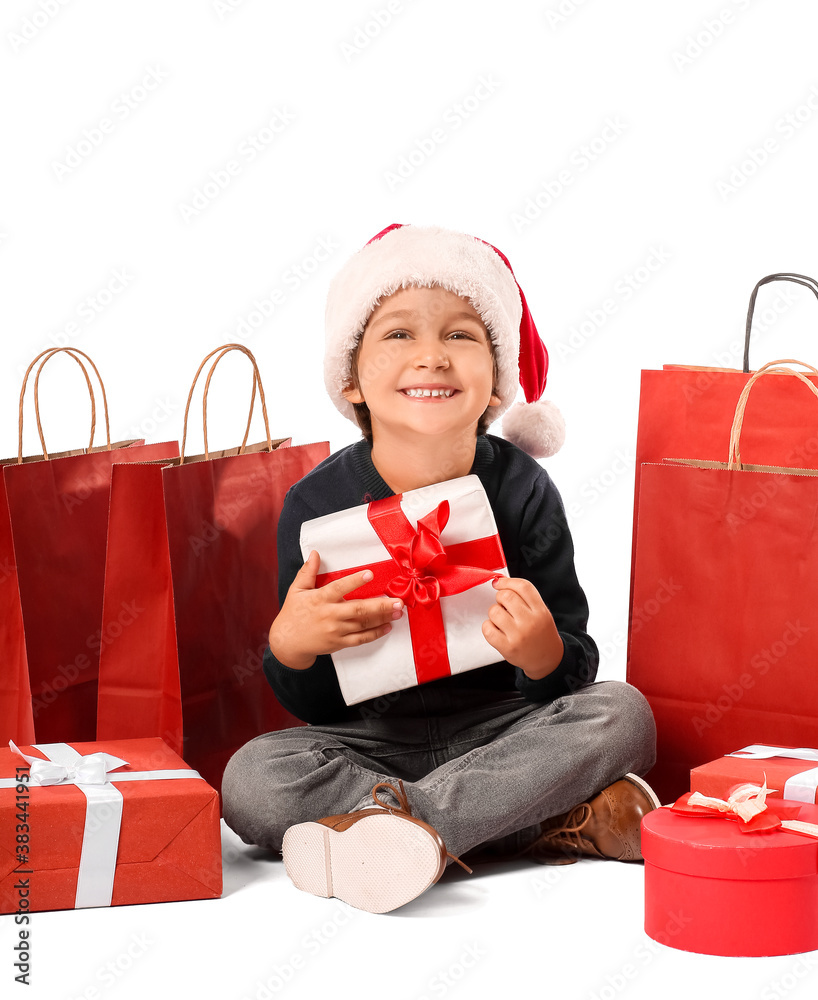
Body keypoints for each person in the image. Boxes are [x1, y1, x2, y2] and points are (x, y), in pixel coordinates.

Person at [222, 223, 657, 914]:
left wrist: (545, 654)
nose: (431, 356)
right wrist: (291, 647)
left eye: (461, 335)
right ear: (352, 380)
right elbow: (313, 707)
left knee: (623, 714)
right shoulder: (314, 503)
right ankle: (531, 820)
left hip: (505, 728)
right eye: (398, 335)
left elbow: (574, 660)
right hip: (371, 743)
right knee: (251, 778)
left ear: (496, 385)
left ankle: (396, 832)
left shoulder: (523, 489)